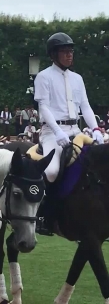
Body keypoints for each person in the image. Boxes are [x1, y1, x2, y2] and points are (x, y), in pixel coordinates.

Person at [34, 32, 104, 233]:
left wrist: (96, 129)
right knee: (52, 171)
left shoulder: (77, 78)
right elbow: (44, 108)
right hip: (52, 133)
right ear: (54, 54)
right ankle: (44, 215)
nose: (69, 55)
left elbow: (86, 107)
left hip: (76, 130)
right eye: (65, 52)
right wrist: (57, 131)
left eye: (71, 51)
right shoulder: (43, 76)